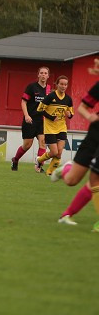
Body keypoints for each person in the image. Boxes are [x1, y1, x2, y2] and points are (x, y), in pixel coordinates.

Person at [51, 67, 99, 228]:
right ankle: (65, 169)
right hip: (95, 134)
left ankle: (66, 215)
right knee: (72, 180)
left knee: (96, 180)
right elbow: (82, 108)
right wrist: (90, 118)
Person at [10, 66, 50, 171]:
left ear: (48, 76)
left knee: (43, 142)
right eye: (41, 73)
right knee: (27, 145)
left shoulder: (49, 90)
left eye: (45, 73)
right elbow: (23, 102)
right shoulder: (32, 87)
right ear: (38, 75)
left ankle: (38, 166)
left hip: (42, 121)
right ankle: (15, 159)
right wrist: (26, 115)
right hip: (30, 120)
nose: (43, 75)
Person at [35, 75, 73, 175]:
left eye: (65, 84)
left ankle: (49, 173)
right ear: (57, 84)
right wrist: (51, 117)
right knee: (54, 152)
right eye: (61, 84)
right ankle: (39, 160)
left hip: (61, 128)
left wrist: (69, 115)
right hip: (50, 128)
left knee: (59, 153)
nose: (63, 86)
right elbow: (39, 109)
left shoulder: (68, 99)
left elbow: (71, 113)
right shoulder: (50, 97)